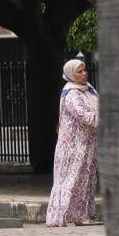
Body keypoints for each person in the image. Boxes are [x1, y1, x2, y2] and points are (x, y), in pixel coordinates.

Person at [46, 57, 100, 226]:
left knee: (87, 178)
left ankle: (82, 215)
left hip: (88, 143)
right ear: (71, 74)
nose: (84, 74)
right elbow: (83, 115)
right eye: (80, 71)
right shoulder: (71, 93)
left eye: (85, 70)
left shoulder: (89, 90)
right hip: (73, 146)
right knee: (72, 178)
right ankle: (64, 215)